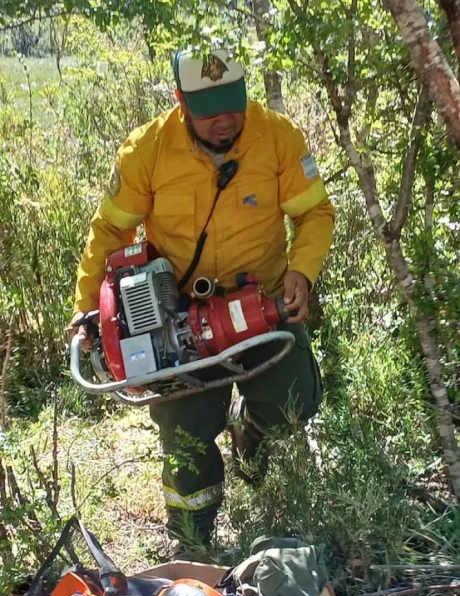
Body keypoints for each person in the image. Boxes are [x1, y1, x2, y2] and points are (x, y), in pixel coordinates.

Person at [69, 48, 335, 558]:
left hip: (265, 307)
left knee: (293, 403)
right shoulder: (146, 151)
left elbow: (315, 213)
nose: (224, 120)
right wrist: (84, 310)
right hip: (178, 321)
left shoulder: (278, 138)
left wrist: (303, 270)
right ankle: (193, 544)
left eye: (232, 104)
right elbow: (110, 231)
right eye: (209, 109)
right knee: (186, 441)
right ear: (180, 101)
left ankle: (250, 443)